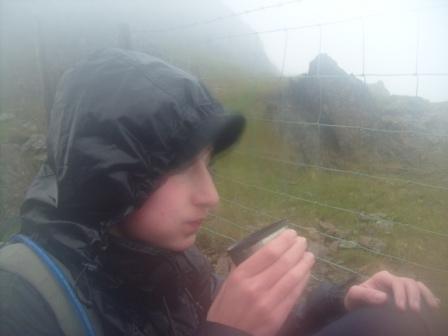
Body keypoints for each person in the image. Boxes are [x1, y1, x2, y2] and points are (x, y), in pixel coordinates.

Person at [0, 48, 445, 336]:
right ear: (107, 171)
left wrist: (338, 302)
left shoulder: (170, 262)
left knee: (394, 319)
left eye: (208, 165)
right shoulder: (20, 303)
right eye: (178, 166)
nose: (211, 196)